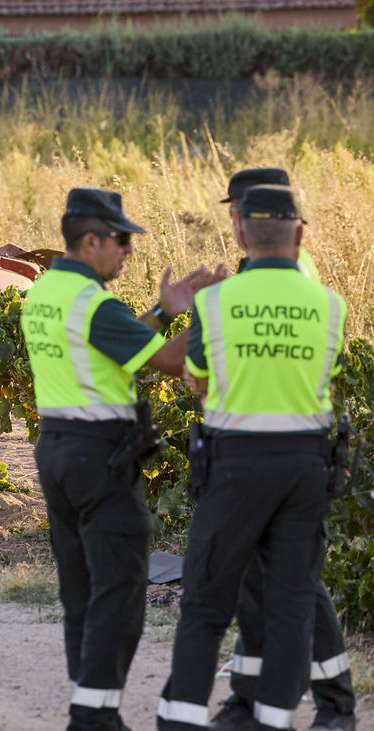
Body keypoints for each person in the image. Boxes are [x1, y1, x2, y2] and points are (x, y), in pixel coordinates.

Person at [157, 185, 348, 731]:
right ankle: (273, 720)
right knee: (292, 604)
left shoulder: (216, 302)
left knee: (206, 605)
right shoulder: (330, 305)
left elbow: (196, 375)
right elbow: (325, 381)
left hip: (235, 463)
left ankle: (182, 720)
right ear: (300, 235)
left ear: (240, 232)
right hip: (306, 466)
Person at [22, 188, 212, 731]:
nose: (128, 250)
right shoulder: (93, 302)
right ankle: (94, 717)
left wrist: (159, 311)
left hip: (56, 450)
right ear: (90, 241)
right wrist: (200, 315)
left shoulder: (48, 292)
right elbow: (172, 364)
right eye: (122, 240)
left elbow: (114, 350)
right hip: (98, 455)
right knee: (123, 587)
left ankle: (91, 710)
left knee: (79, 588)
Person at [208, 170, 356, 731]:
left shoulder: (285, 275)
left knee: (297, 588)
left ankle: (335, 703)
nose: (231, 220)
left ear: (252, 219)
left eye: (235, 210)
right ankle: (247, 696)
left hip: (269, 452)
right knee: (261, 583)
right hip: (277, 454)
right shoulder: (273, 269)